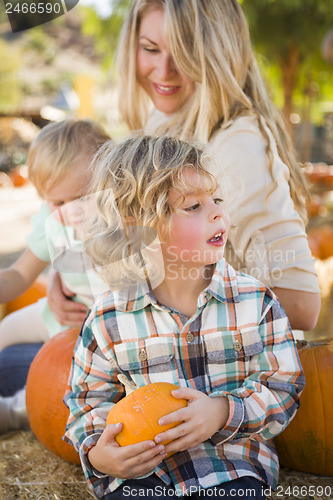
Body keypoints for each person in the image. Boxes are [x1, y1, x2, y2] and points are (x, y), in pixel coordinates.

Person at [48, 0, 321, 333]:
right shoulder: (163, 119)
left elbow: (302, 305)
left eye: (185, 52)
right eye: (150, 49)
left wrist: (155, 303)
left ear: (220, 54)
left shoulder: (238, 145)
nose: (164, 71)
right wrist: (73, 280)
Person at [64, 135, 304, 500]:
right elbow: (87, 402)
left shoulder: (255, 302)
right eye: (193, 206)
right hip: (143, 473)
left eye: (217, 200)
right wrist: (100, 454)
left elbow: (284, 387)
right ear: (137, 225)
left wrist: (222, 412)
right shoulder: (108, 318)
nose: (218, 213)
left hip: (232, 466)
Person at [0, 119, 110, 432]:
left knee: (63, 383)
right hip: (59, 312)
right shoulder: (53, 221)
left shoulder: (121, 225)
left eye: (82, 196)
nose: (70, 210)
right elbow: (20, 275)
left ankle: (13, 411)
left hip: (96, 338)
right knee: (7, 327)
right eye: (58, 201)